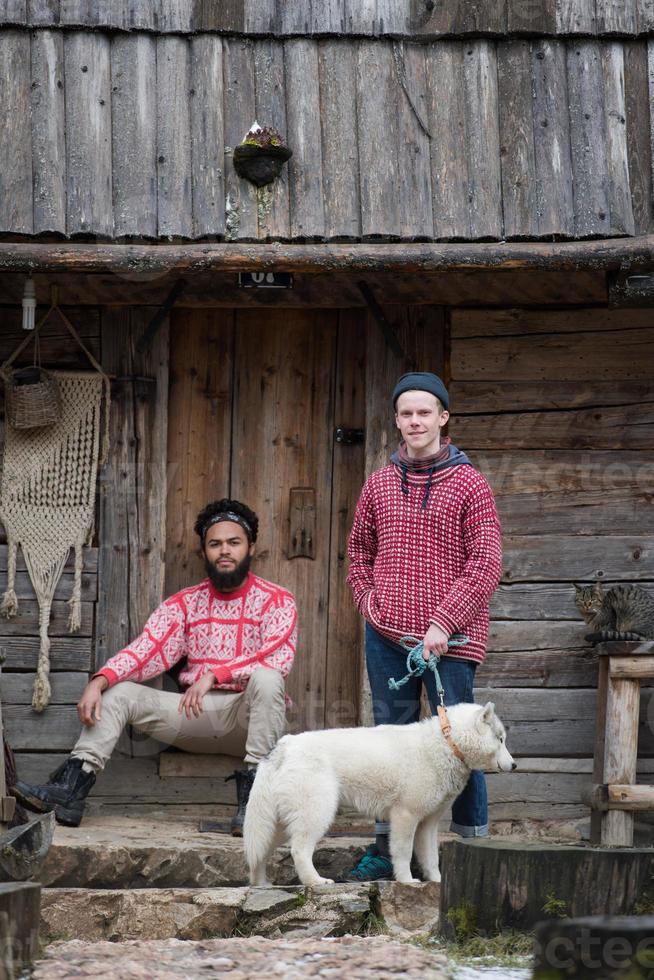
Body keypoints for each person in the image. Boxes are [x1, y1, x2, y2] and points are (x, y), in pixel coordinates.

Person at [14, 499, 298, 835]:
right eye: (215, 543)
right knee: (120, 692)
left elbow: (276, 659)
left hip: (248, 720)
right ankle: (71, 790)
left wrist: (216, 674)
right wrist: (100, 680)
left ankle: (255, 807)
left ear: (250, 547)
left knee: (267, 679)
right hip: (194, 717)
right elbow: (148, 650)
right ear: (204, 551)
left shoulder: (278, 600)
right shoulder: (185, 603)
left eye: (234, 542)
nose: (225, 551)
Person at [345, 372, 502, 881]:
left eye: (425, 412)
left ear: (443, 418)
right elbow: (358, 554)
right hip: (389, 639)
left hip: (452, 641)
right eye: (406, 413)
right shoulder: (378, 483)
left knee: (463, 744)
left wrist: (443, 621)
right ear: (397, 420)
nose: (415, 421)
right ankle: (386, 849)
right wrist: (369, 603)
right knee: (390, 744)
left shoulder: (469, 483)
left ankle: (468, 848)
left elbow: (486, 563)